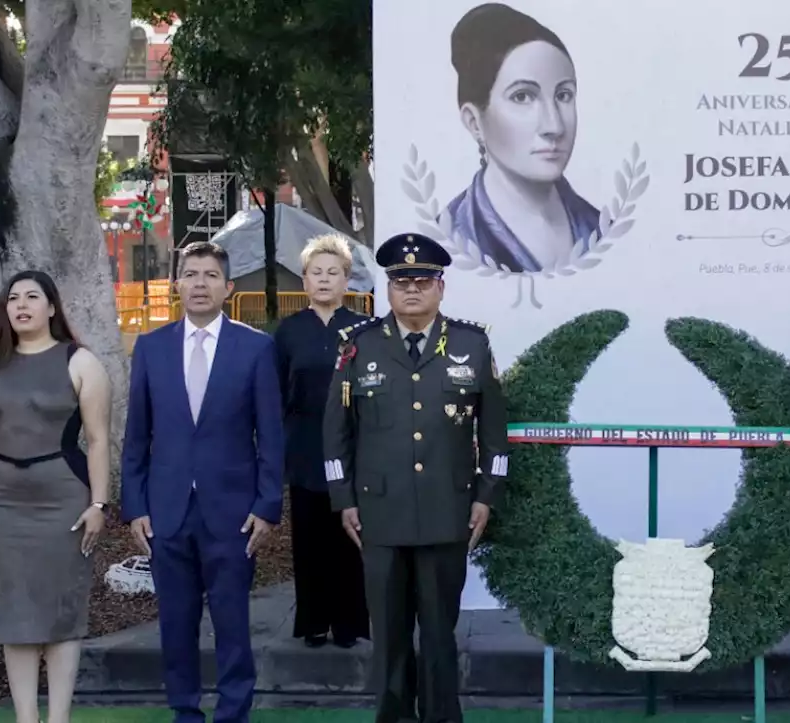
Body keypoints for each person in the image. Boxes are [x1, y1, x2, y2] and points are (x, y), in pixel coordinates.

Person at [324, 232, 509, 723]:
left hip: (448, 514)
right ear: (387, 288)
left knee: (439, 632)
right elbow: (334, 435)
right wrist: (343, 498)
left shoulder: (471, 343)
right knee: (388, 633)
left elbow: (495, 438)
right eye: (401, 281)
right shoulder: (358, 346)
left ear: (441, 288)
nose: (412, 289)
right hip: (378, 516)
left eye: (423, 281)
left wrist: (487, 495)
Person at [121, 241, 284, 723]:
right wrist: (135, 506)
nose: (199, 283)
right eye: (190, 274)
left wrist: (268, 504)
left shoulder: (255, 348)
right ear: (176, 284)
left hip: (233, 512)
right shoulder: (151, 348)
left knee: (233, 623)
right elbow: (136, 436)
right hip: (167, 510)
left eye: (210, 275)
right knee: (176, 624)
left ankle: (233, 712)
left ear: (228, 288)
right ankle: (185, 712)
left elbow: (271, 436)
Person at [0, 270, 112, 723]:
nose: (21, 304)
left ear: (51, 307)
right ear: (5, 309)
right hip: (2, 504)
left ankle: (58, 717)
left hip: (64, 500)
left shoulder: (80, 361)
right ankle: (26, 717)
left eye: (32, 296)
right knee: (17, 614)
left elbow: (99, 440)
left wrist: (99, 504)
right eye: (13, 298)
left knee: (61, 613)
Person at [446, 2, 600, 272]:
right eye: (522, 96)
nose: (554, 125)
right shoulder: (455, 234)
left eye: (564, 95)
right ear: (474, 122)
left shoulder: (596, 225)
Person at [274, 234, 374, 650]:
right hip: (305, 444)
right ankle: (313, 622)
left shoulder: (365, 330)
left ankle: (350, 623)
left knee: (350, 536)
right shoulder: (288, 332)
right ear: (304, 281)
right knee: (310, 537)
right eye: (316, 273)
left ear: (347, 280)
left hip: (355, 445)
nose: (324, 280)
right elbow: (277, 391)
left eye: (334, 273)